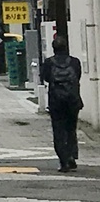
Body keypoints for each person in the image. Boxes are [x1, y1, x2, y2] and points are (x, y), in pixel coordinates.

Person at [42, 35, 83, 172]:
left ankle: (63, 160)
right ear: (66, 47)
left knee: (58, 130)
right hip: (72, 101)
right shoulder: (75, 62)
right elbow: (78, 76)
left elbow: (46, 78)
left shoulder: (49, 62)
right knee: (71, 129)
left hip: (56, 101)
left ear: (53, 49)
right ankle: (71, 155)